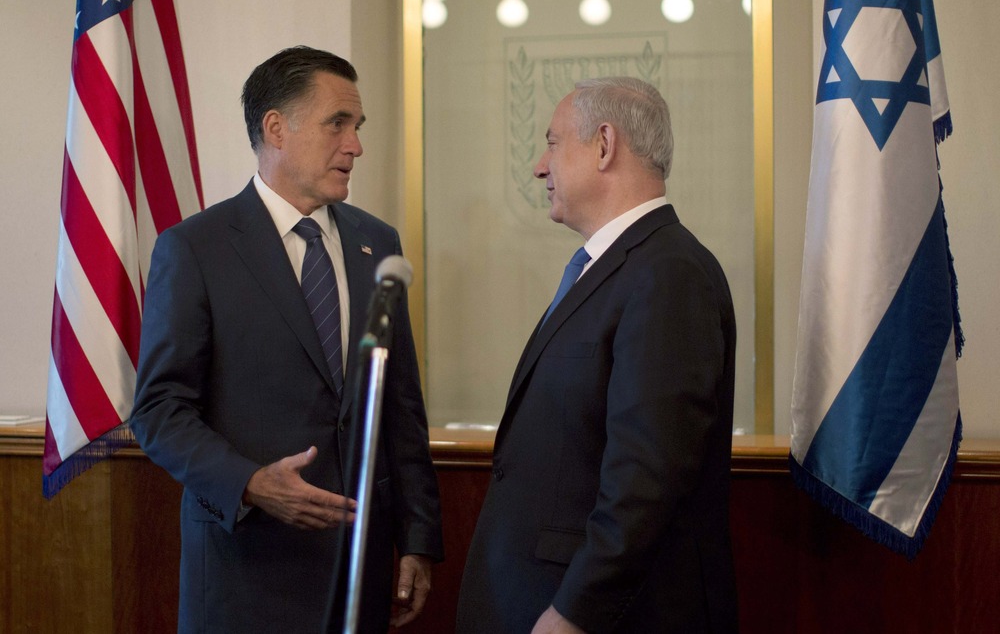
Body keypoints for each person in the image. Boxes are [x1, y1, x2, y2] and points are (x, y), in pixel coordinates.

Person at [130, 46, 443, 633]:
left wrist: (418, 540)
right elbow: (158, 410)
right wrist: (249, 483)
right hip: (247, 570)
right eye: (337, 124)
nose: (355, 146)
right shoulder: (196, 248)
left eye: (358, 127)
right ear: (276, 126)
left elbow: (399, 403)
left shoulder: (378, 241)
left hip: (360, 573)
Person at [456, 77, 739, 633]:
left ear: (605, 145)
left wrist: (574, 611)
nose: (540, 166)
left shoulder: (668, 274)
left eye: (554, 143)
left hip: (598, 615)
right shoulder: (618, 269)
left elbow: (647, 477)